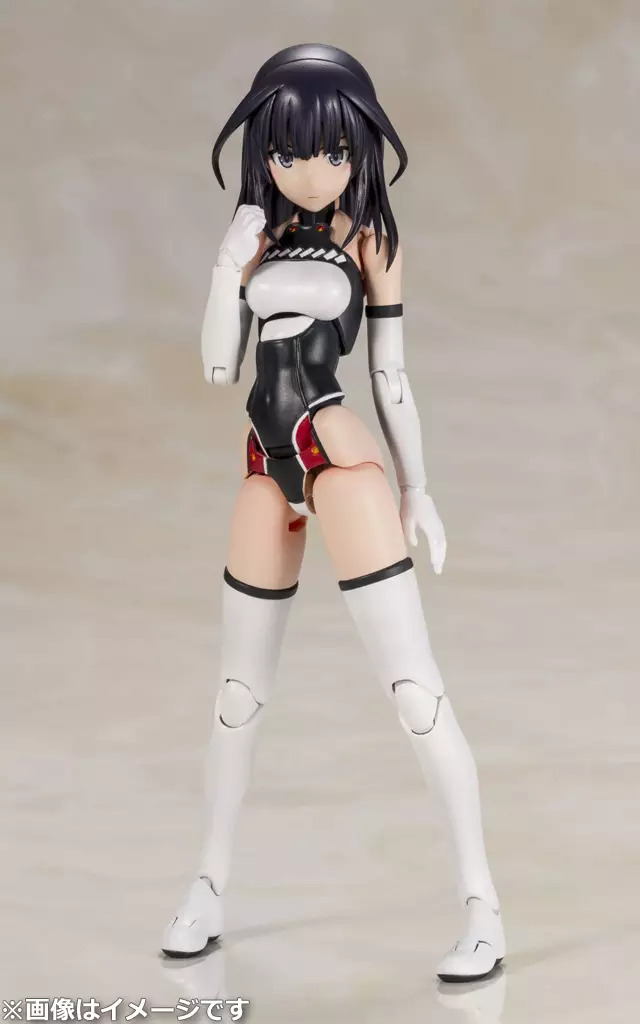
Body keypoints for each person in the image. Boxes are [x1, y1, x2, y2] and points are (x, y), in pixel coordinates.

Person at [161, 43, 505, 983]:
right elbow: (219, 367)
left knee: (413, 691)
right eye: (287, 151)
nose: (309, 170)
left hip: (337, 453)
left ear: (358, 148)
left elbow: (391, 377)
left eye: (332, 151)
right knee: (237, 697)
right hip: (261, 462)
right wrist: (225, 269)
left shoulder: (369, 241)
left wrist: (417, 488)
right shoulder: (258, 241)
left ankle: (482, 903)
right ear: (263, 153)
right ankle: (208, 883)